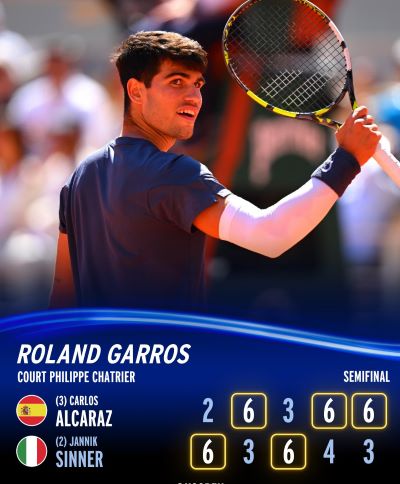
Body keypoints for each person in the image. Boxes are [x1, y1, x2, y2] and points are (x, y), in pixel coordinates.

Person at [50, 31, 381, 311]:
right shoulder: (175, 174)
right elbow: (271, 235)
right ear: (136, 91)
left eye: (197, 85)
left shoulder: (81, 176)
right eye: (176, 82)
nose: (193, 97)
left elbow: (61, 297)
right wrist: (347, 160)